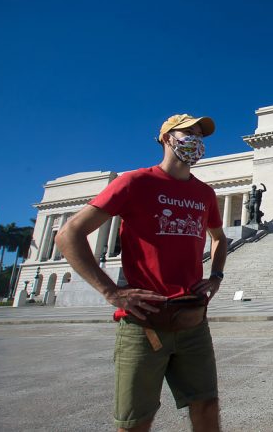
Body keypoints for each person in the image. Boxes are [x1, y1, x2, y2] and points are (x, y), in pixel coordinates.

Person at [56, 114, 228, 432]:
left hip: (192, 319)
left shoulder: (204, 194)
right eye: (187, 133)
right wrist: (112, 292)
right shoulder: (135, 182)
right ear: (166, 138)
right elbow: (68, 235)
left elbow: (219, 237)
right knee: (135, 420)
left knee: (207, 406)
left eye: (200, 135)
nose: (196, 141)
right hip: (144, 322)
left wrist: (216, 276)